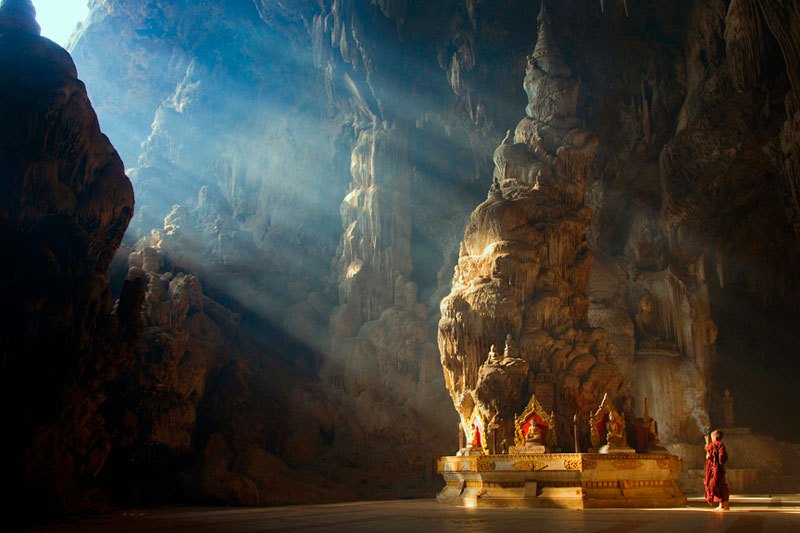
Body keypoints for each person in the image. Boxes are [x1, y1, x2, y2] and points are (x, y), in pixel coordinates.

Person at [704, 429, 730, 510]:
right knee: (721, 485)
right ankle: (724, 504)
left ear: (715, 437)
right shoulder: (721, 445)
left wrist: (708, 450)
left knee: (713, 486)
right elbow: (723, 457)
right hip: (720, 468)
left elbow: (708, 457)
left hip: (714, 469)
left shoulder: (712, 445)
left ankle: (722, 504)